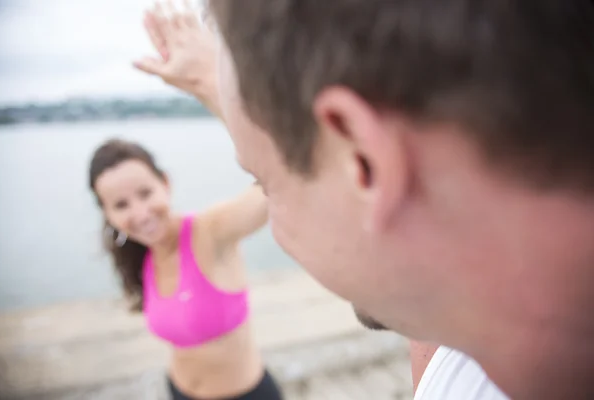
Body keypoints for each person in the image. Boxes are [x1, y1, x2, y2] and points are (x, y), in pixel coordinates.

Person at [136, 1, 594, 399]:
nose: (274, 224)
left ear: (365, 164)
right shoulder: (456, 323)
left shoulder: (449, 344)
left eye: (265, 184)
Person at [88, 116, 282, 399]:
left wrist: (212, 91)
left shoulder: (209, 232)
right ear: (107, 214)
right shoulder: (141, 258)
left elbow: (275, 181)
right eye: (121, 205)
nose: (141, 213)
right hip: (178, 391)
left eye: (145, 193)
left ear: (165, 183)